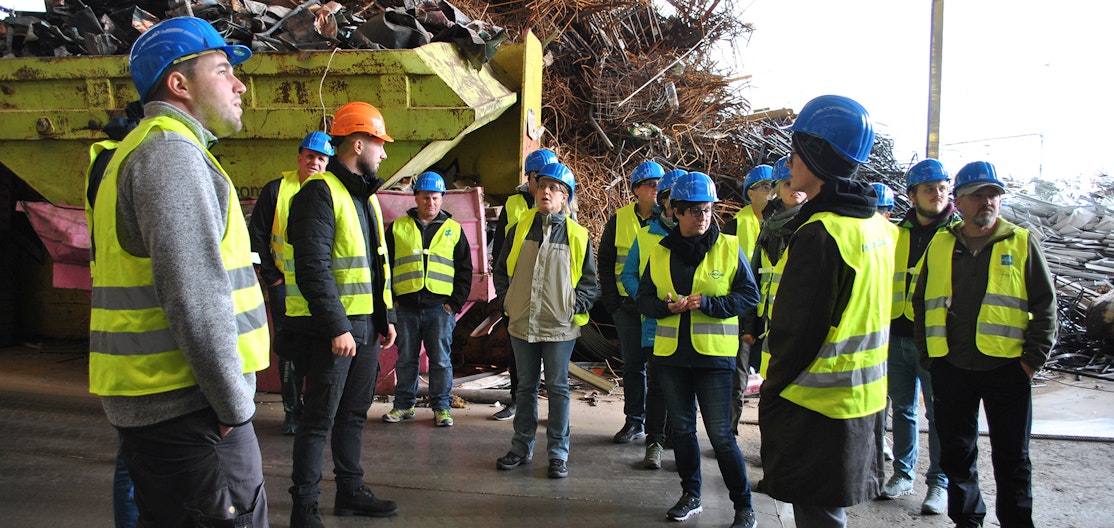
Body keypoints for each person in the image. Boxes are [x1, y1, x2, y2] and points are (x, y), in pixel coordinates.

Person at [85, 16, 270, 526]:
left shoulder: (149, 151)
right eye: (222, 70)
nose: (239, 85)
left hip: (173, 403)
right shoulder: (170, 155)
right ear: (179, 84)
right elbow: (194, 296)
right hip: (192, 409)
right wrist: (235, 406)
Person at [758, 95, 892, 527]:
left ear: (815, 155)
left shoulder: (822, 232)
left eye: (796, 150)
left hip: (814, 403)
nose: (790, 160)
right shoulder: (877, 227)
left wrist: (773, 388)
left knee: (818, 515)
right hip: (862, 398)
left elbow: (797, 331)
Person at [914, 161, 1057, 528]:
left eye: (993, 194)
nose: (987, 202)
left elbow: (1045, 305)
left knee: (1012, 458)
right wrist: (932, 359)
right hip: (952, 368)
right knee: (958, 455)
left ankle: (1016, 522)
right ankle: (967, 520)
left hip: (1007, 369)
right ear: (959, 201)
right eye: (978, 195)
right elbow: (921, 302)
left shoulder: (1021, 242)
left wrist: (1030, 361)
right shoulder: (941, 244)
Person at [283, 101, 399, 527]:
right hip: (336, 330)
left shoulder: (364, 198)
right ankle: (304, 506)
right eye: (378, 144)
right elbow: (313, 266)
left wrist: (383, 318)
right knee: (318, 420)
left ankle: (350, 492)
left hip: (366, 327)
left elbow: (374, 263)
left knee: (353, 414)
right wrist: (336, 326)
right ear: (357, 143)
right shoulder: (319, 193)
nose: (383, 153)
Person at [635, 171, 760, 528]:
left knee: (721, 436)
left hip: (714, 359)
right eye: (693, 211)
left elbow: (749, 296)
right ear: (676, 212)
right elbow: (644, 299)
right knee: (684, 432)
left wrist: (708, 303)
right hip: (672, 357)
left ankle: (744, 506)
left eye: (707, 210)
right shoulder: (659, 253)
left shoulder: (729, 247)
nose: (702, 217)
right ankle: (691, 494)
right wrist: (665, 308)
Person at [493, 162, 599, 479]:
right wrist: (507, 301)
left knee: (557, 389)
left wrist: (571, 307)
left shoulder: (579, 236)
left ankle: (557, 454)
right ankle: (520, 448)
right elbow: (501, 271)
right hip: (522, 322)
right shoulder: (519, 228)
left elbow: (590, 284)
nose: (547, 192)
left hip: (560, 327)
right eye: (543, 187)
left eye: (555, 188)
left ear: (565, 198)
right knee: (524, 388)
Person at [878, 159, 959, 514]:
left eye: (942, 187)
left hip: (936, 340)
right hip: (897, 334)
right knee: (903, 410)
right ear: (912, 195)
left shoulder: (957, 233)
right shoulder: (897, 233)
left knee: (939, 415)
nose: (937, 194)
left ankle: (938, 483)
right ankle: (902, 474)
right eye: (929, 188)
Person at [249, 131, 335, 435]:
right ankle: (292, 412)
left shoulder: (332, 192)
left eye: (321, 158)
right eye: (310, 156)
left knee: (322, 350)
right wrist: (272, 278)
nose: (314, 162)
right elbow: (257, 237)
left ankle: (317, 411)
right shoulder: (276, 191)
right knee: (290, 351)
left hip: (319, 287)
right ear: (299, 158)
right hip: (285, 287)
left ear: (328, 163)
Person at [383, 171, 472, 427]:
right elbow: (386, 266)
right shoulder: (398, 227)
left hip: (439, 309)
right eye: (424, 198)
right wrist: (393, 301)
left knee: (441, 361)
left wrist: (454, 304)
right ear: (416, 198)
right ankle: (403, 405)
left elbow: (465, 269)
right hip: (406, 308)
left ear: (442, 199)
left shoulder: (453, 230)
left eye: (434, 198)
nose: (430, 203)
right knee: (406, 359)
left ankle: (442, 408)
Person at [620, 168, 684, 469]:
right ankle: (655, 442)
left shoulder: (701, 237)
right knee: (657, 386)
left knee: (684, 390)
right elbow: (628, 273)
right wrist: (645, 301)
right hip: (655, 325)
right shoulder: (647, 236)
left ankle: (678, 438)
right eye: (673, 199)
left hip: (691, 328)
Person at [490, 148, 558, 421]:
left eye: (549, 182)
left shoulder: (563, 204)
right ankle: (518, 401)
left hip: (550, 293)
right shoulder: (513, 204)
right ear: (528, 178)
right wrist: (504, 294)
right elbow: (500, 254)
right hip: (518, 292)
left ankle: (554, 409)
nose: (544, 187)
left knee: (552, 353)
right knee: (517, 350)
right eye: (538, 180)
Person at [599, 160, 664, 444]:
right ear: (637, 189)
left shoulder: (669, 220)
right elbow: (605, 260)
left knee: (660, 368)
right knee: (633, 366)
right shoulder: (620, 219)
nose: (657, 189)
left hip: (659, 308)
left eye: (660, 184)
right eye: (651, 184)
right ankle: (634, 421)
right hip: (626, 307)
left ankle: (659, 427)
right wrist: (612, 302)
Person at [723, 164, 772, 436]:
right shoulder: (735, 226)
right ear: (749, 193)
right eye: (765, 187)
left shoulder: (788, 225)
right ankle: (729, 433)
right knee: (737, 379)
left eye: (774, 186)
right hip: (743, 315)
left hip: (774, 314)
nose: (771, 192)